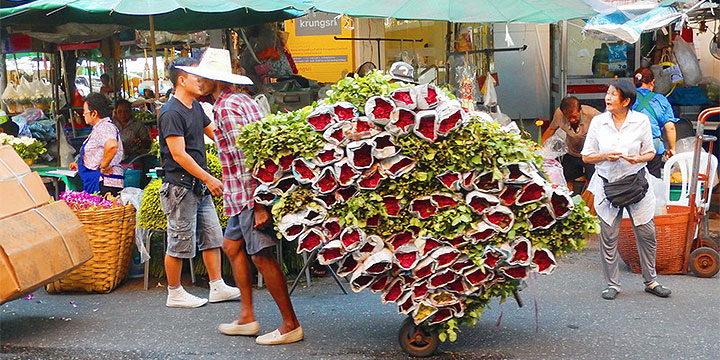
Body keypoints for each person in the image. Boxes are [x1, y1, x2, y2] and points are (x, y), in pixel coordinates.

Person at [180, 48, 303, 345]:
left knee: (261, 256)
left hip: (249, 195)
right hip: (240, 195)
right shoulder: (241, 100)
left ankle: (290, 325)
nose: (199, 81)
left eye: (204, 77)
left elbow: (252, 156)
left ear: (216, 81)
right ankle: (247, 317)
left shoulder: (226, 108)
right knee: (231, 247)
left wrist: (261, 203)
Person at [157, 57, 240, 308]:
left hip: (199, 184)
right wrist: (209, 177)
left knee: (212, 236)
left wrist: (240, 143)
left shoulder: (195, 108)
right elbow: (178, 154)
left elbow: (216, 133)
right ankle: (174, 292)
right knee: (179, 240)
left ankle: (217, 286)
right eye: (197, 77)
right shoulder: (171, 112)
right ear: (181, 80)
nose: (202, 81)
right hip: (180, 187)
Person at [581, 80, 672, 300]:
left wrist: (637, 158)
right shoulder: (598, 122)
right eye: (608, 94)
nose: (608, 98)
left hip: (636, 184)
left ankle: (651, 281)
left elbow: (650, 153)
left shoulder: (641, 121)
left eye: (613, 95)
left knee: (646, 233)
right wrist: (604, 156)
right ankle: (612, 284)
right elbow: (586, 156)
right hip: (607, 185)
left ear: (627, 101)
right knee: (609, 236)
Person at [69, 93, 124, 196]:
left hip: (104, 182)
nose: (84, 115)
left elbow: (112, 145)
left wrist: (104, 166)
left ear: (94, 113)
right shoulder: (99, 128)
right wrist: (81, 165)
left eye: (85, 112)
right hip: (97, 179)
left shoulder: (105, 127)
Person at [542, 96, 601, 188]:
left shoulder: (594, 115)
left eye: (574, 116)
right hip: (572, 152)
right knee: (565, 179)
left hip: (590, 154)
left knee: (593, 181)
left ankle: (589, 200)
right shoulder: (559, 114)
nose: (572, 120)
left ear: (580, 110)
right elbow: (551, 129)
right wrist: (542, 149)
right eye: (568, 118)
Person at [632, 67, 678, 178]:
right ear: (653, 82)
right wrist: (672, 149)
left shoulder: (627, 98)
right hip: (653, 148)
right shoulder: (660, 99)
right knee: (653, 184)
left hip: (631, 149)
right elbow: (670, 127)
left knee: (631, 183)